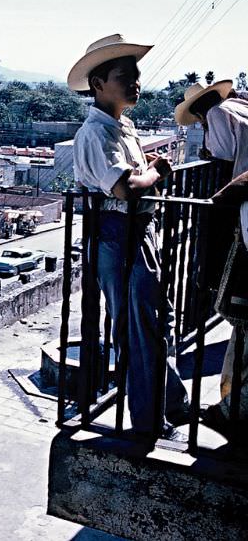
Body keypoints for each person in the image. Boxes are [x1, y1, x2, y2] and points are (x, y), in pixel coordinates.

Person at [68, 34, 189, 439]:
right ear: (99, 83)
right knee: (138, 328)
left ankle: (170, 401)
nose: (135, 83)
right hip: (118, 237)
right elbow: (126, 188)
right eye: (125, 76)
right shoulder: (96, 133)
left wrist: (146, 172)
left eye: (136, 76)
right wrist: (156, 173)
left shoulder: (123, 127)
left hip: (137, 233)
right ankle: (149, 419)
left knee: (155, 321)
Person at [175, 79, 248, 440]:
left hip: (242, 214)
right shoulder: (241, 108)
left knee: (233, 298)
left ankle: (232, 407)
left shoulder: (219, 114)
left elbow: (220, 158)